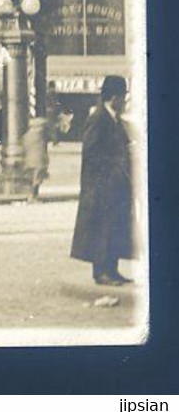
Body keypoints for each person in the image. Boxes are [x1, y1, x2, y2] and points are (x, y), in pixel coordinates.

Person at [71, 75, 134, 286]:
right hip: (101, 186)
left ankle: (112, 269)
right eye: (123, 97)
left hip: (116, 185)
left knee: (115, 227)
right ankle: (101, 273)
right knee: (101, 228)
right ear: (114, 97)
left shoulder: (113, 118)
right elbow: (91, 153)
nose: (124, 101)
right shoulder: (98, 119)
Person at [21, 115, 50, 202]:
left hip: (29, 161)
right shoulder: (41, 135)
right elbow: (42, 149)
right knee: (37, 180)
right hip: (38, 161)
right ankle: (33, 197)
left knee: (32, 179)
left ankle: (31, 196)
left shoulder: (27, 135)